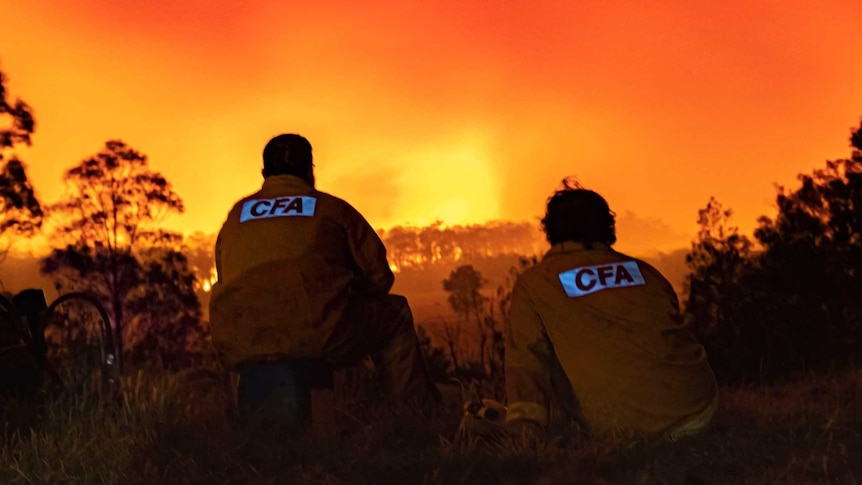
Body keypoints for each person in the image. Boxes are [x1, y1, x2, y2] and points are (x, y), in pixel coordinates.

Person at [209, 134, 440, 425]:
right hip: (319, 336)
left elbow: (226, 275)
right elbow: (380, 279)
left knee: (235, 330)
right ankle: (417, 418)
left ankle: (239, 426)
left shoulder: (235, 216)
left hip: (240, 341)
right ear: (310, 170)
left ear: (264, 174)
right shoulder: (332, 210)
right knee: (394, 314)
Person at [505, 180, 718, 441]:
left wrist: (525, 429)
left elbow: (527, 360)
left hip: (624, 427)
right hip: (699, 408)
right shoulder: (647, 274)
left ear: (551, 230)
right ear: (607, 228)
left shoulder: (536, 283)